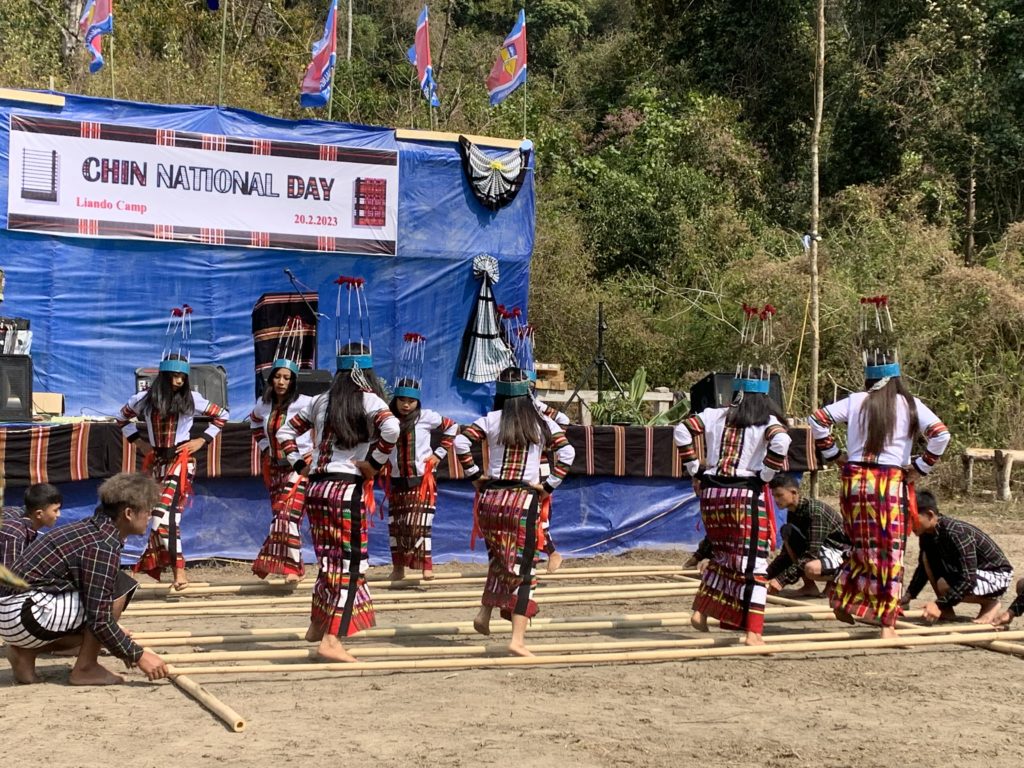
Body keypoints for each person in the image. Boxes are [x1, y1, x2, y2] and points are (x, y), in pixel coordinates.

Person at [809, 350, 951, 639]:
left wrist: (834, 454)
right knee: (889, 552)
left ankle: (842, 597)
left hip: (856, 482)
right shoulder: (910, 404)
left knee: (859, 544)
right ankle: (887, 624)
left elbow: (817, 420)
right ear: (896, 377)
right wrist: (921, 467)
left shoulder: (855, 400)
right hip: (888, 484)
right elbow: (941, 434)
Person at [277, 343, 400, 663]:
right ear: (366, 373)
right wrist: (374, 462)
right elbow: (393, 427)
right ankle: (331, 638)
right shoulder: (370, 400)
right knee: (350, 564)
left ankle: (318, 624)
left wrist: (299, 465)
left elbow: (285, 431)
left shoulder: (321, 400)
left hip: (317, 489)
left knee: (329, 559)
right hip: (346, 490)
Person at [0, 472, 169, 685]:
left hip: (10, 616)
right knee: (118, 586)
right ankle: (86, 667)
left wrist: (115, 638)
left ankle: (25, 653)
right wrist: (138, 655)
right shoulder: (101, 545)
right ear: (128, 513)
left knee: (100, 614)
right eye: (147, 512)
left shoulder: (90, 530)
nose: (149, 517)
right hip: (24, 614)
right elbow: (99, 620)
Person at [455, 366, 575, 657]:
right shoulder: (541, 422)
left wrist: (474, 475)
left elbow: (460, 442)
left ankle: (484, 615)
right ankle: (517, 640)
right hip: (521, 499)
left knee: (498, 558)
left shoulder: (491, 419)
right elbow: (567, 452)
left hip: (491, 499)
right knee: (524, 570)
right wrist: (548, 486)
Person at [674, 370, 791, 646]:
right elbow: (782, 441)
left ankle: (702, 612)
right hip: (744, 494)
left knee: (723, 554)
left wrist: (694, 469)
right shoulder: (768, 422)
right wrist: (766, 474)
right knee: (753, 563)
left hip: (713, 493)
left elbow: (682, 430)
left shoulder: (715, 414)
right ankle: (753, 633)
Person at [118, 354, 228, 590]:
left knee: (161, 515)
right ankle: (174, 571)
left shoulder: (192, 399)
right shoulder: (143, 399)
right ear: (164, 376)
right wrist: (140, 443)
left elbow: (222, 415)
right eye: (174, 376)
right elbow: (121, 418)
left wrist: (201, 440)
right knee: (169, 519)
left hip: (181, 462)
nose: (178, 381)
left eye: (182, 377)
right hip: (157, 463)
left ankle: (175, 568)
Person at [385, 377, 458, 582]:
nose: (406, 405)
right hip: (397, 480)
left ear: (418, 402)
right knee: (398, 525)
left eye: (411, 401)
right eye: (402, 400)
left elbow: (452, 428)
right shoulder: (387, 418)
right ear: (396, 400)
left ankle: (426, 566)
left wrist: (438, 455)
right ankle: (398, 568)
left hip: (422, 480)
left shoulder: (426, 417)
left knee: (420, 524)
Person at [902, 489, 1011, 624]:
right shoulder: (927, 534)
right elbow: (923, 569)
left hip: (996, 576)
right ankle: (947, 610)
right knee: (926, 559)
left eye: (912, 518)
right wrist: (908, 595)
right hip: (971, 574)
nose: (909, 524)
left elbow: (968, 578)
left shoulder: (957, 534)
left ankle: (990, 604)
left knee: (944, 584)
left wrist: (938, 604)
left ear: (930, 515)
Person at [249, 361, 314, 583]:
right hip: (276, 468)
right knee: (281, 517)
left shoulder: (307, 403)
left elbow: (325, 422)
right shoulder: (263, 404)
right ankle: (280, 563)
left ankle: (293, 569)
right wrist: (266, 448)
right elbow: (255, 423)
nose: (282, 382)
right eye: (278, 377)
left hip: (300, 466)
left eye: (287, 378)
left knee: (288, 515)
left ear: (294, 381)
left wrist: (318, 451)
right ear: (271, 380)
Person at [766, 474, 850, 597]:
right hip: (823, 552)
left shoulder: (815, 512)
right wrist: (765, 575)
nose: (776, 500)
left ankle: (835, 582)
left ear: (794, 492)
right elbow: (787, 554)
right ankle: (810, 586)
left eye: (779, 495)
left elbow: (811, 553)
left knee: (811, 568)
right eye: (774, 496)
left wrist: (781, 580)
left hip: (842, 556)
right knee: (787, 532)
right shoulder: (793, 511)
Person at [0, 483, 63, 568]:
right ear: (39, 513)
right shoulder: (17, 536)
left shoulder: (16, 512)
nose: (59, 514)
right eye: (55, 510)